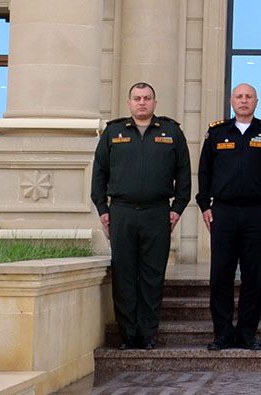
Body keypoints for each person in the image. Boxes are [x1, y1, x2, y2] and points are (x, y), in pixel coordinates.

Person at [91, 82, 192, 350]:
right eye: (137, 98)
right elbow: (99, 173)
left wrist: (176, 209)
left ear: (155, 103)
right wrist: (103, 209)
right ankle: (128, 335)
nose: (142, 102)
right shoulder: (113, 132)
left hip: (157, 212)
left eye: (147, 98)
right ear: (129, 103)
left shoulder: (171, 131)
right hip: (121, 212)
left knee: (152, 275)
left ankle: (147, 334)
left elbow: (184, 174)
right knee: (123, 274)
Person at [196, 83, 261, 351]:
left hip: (257, 214)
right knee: (220, 275)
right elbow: (204, 173)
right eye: (239, 97)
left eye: (248, 97)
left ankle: (247, 333)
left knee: (253, 276)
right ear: (231, 101)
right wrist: (205, 206)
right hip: (222, 212)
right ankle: (222, 333)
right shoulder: (217, 133)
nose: (244, 101)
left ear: (256, 102)